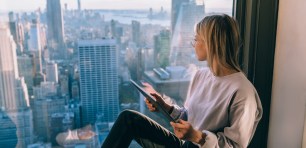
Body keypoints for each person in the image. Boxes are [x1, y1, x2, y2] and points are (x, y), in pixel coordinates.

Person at [101, 14, 263, 148]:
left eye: (197, 39)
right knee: (128, 119)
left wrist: (199, 137)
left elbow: (236, 146)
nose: (193, 44)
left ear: (211, 44)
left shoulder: (242, 92)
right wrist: (165, 107)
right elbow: (189, 116)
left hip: (194, 145)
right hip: (185, 145)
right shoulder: (201, 75)